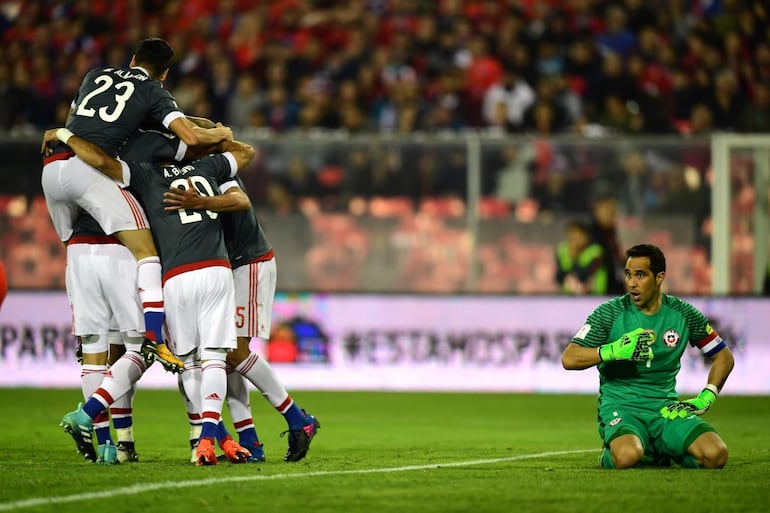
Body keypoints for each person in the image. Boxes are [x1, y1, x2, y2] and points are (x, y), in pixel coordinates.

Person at [45, 126, 256, 466]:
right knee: (198, 358)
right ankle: (202, 441)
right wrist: (211, 133)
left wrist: (65, 135)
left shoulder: (142, 173)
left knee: (117, 354)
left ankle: (111, 437)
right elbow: (245, 152)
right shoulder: (209, 167)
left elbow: (99, 161)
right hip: (198, 268)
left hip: (138, 267)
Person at [41, 37, 231, 372]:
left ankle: (85, 343)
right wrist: (219, 133)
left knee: (72, 243)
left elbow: (80, 121)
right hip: (90, 171)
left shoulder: (95, 75)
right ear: (165, 74)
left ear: (132, 59)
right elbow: (190, 137)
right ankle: (154, 338)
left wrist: (62, 133)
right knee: (146, 252)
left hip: (53, 166)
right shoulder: (154, 92)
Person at [165, 173, 321, 463]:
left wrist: (200, 201)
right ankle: (250, 442)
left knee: (234, 352)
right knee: (221, 356)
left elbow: (240, 199)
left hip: (247, 262)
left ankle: (298, 419)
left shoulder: (217, 167)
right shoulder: (188, 168)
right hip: (223, 266)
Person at [561, 244, 734, 469]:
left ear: (659, 277)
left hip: (665, 410)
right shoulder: (609, 313)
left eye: (640, 275)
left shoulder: (684, 315)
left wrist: (706, 397)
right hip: (622, 407)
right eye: (628, 274)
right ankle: (611, 454)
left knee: (716, 455)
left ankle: (664, 450)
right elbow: (569, 358)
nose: (632, 282)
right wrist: (612, 351)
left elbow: (724, 356)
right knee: (627, 456)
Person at [555, 219, 607, 294]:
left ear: (586, 237)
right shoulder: (563, 250)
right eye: (572, 236)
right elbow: (559, 276)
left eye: (579, 236)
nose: (575, 240)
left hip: (596, 295)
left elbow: (587, 272)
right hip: (568, 296)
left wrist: (574, 257)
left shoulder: (596, 250)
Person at [588, 193, 625, 295]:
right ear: (597, 211)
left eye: (613, 210)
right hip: (599, 291)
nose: (611, 214)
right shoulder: (591, 234)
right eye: (607, 209)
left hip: (613, 287)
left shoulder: (611, 232)